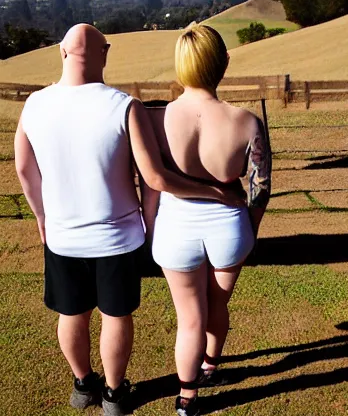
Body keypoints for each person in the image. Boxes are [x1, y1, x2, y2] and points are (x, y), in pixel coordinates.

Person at [14, 24, 240, 416]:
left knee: (72, 314)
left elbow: (23, 168)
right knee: (116, 316)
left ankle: (83, 383)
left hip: (63, 236)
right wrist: (213, 193)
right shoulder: (124, 106)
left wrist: (41, 216)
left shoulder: (34, 104)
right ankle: (115, 395)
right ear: (105, 53)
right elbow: (154, 179)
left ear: (62, 53)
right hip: (118, 237)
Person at [143, 23, 271, 416]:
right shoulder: (247, 121)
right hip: (229, 228)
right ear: (224, 63)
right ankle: (211, 365)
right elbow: (260, 187)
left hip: (175, 228)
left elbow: (151, 186)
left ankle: (187, 398)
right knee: (218, 305)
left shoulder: (155, 120)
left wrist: (150, 228)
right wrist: (250, 228)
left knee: (189, 318)